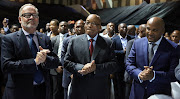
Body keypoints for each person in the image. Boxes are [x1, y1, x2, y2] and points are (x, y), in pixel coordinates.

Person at [1, 4, 59, 99]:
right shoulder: (9, 39)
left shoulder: (44, 38)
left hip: (42, 90)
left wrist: (45, 60)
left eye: (35, 15)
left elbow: (56, 61)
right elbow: (6, 66)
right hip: (19, 92)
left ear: (38, 19)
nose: (32, 18)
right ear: (20, 19)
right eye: (27, 15)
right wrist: (34, 62)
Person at [64, 14, 118, 99]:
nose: (89, 25)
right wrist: (81, 68)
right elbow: (66, 62)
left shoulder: (108, 43)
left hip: (100, 90)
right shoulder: (74, 41)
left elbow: (113, 65)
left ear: (100, 27)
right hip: (78, 90)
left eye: (93, 23)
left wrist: (96, 68)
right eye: (87, 22)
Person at [126, 17, 179, 99]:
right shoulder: (137, 43)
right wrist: (139, 74)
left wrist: (154, 75)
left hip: (160, 94)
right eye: (148, 29)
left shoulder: (173, 48)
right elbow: (129, 64)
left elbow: (173, 75)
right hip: (137, 93)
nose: (150, 33)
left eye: (155, 30)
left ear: (162, 31)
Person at [61, 19, 85, 99]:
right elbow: (63, 59)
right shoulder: (67, 40)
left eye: (82, 27)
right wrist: (71, 73)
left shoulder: (90, 41)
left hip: (84, 75)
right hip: (68, 75)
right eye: (77, 27)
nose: (80, 29)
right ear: (74, 28)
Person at [124, 24, 146, 99]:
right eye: (147, 30)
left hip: (144, 77)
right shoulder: (131, 42)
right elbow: (127, 60)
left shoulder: (148, 43)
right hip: (131, 75)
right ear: (141, 31)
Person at [111, 23, 133, 99]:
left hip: (129, 66)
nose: (124, 29)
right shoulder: (114, 39)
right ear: (118, 29)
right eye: (122, 27)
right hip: (118, 66)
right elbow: (111, 52)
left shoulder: (131, 39)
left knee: (127, 86)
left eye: (125, 28)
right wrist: (122, 51)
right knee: (118, 85)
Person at [50, 20, 69, 99]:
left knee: (66, 91)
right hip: (55, 69)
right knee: (56, 91)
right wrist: (56, 66)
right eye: (61, 25)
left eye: (65, 26)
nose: (63, 27)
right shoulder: (53, 39)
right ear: (58, 27)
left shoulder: (72, 39)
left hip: (67, 69)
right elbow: (50, 54)